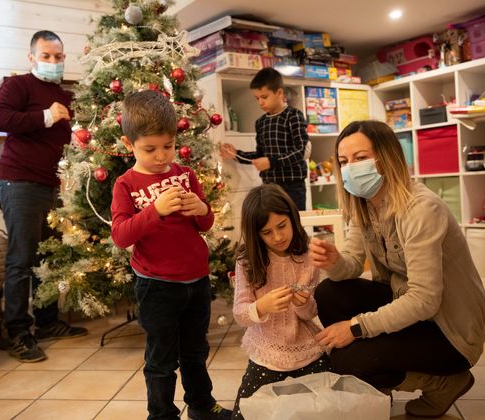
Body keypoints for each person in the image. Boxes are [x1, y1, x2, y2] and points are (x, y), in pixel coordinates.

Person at [308, 120, 485, 418]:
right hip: (412, 312)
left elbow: (424, 299)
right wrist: (334, 262)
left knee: (348, 359)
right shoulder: (364, 205)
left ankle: (443, 382)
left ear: (387, 157)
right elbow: (351, 266)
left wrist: (356, 328)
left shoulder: (421, 209)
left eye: (360, 158)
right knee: (328, 293)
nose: (350, 168)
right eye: (343, 161)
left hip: (449, 333)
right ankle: (377, 380)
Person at [110, 90, 232, 420]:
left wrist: (201, 208)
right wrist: (155, 210)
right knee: (162, 358)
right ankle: (162, 414)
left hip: (197, 279)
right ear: (129, 144)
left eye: (168, 146)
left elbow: (205, 223)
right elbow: (121, 236)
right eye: (150, 149)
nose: (162, 155)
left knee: (196, 350)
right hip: (157, 286)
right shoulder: (126, 184)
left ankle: (202, 405)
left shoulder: (185, 175)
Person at [0, 30, 87, 363]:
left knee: (49, 257)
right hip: (19, 183)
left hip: (50, 186)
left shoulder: (65, 95)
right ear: (32, 58)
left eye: (58, 57)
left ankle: (46, 323)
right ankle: (17, 333)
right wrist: (45, 116)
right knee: (21, 260)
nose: (53, 62)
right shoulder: (17, 86)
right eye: (46, 56)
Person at [231, 184, 330, 420]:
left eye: (282, 226)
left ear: (293, 219)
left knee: (326, 409)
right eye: (267, 232)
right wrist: (262, 306)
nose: (277, 237)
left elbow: (310, 313)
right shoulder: (247, 261)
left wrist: (302, 303)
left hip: (307, 350)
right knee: (242, 415)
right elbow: (240, 313)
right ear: (256, 234)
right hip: (266, 354)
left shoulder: (308, 257)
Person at [220, 67, 309, 210]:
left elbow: (300, 151)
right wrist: (236, 154)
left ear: (279, 93)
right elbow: (260, 155)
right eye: (257, 98)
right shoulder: (261, 122)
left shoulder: (293, 116)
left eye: (264, 97)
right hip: (268, 187)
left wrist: (271, 162)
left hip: (292, 185)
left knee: (295, 224)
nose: (260, 102)